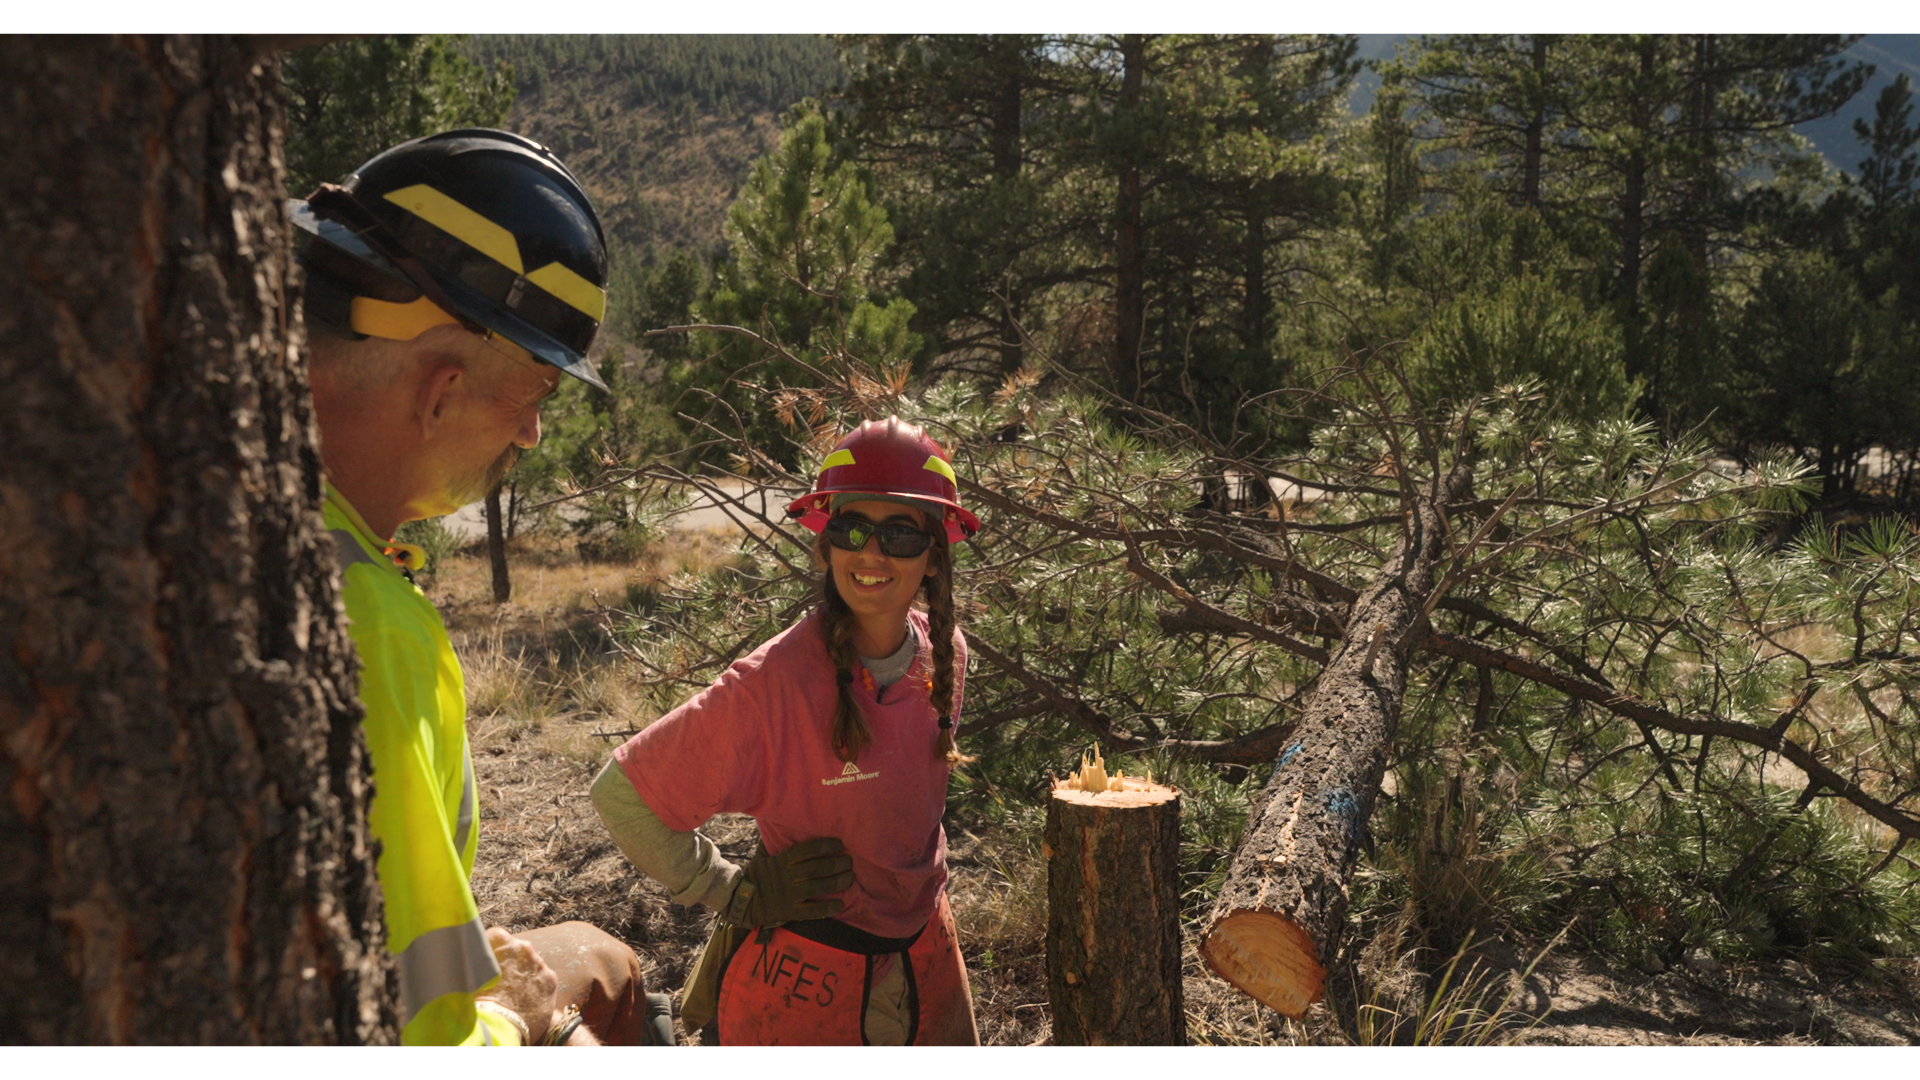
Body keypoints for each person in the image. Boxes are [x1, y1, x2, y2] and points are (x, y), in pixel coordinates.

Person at [294, 129, 667, 1046]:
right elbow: (417, 1032)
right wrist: (520, 1020)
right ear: (440, 391)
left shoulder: (251, 516)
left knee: (593, 951)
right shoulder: (367, 623)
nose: (532, 434)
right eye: (533, 394)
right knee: (599, 973)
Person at [592, 418, 983, 1046]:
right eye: (851, 530)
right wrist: (728, 890)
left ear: (934, 555)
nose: (872, 553)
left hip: (926, 958)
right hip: (809, 977)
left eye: (901, 533)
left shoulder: (946, 651)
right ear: (826, 546)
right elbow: (621, 795)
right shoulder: (770, 685)